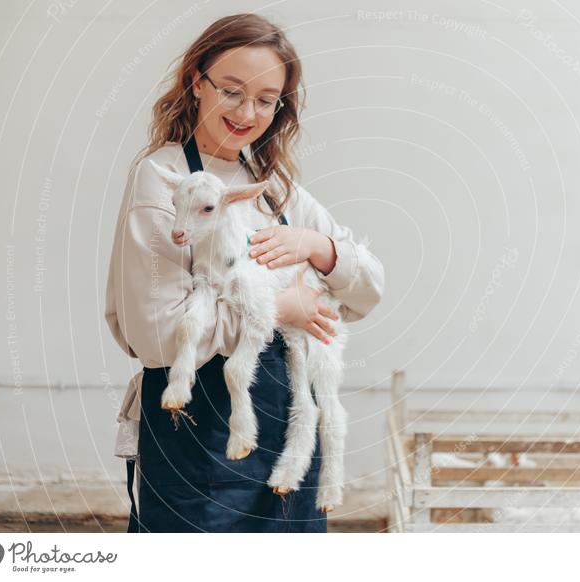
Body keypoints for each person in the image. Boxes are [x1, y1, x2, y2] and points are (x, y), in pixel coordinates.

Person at [104, 13, 385, 532]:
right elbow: (157, 337)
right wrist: (280, 309)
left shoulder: (270, 184)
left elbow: (368, 287)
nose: (247, 112)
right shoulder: (162, 182)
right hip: (198, 443)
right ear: (196, 83)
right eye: (231, 91)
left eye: (266, 99)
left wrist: (318, 246)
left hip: (286, 447)